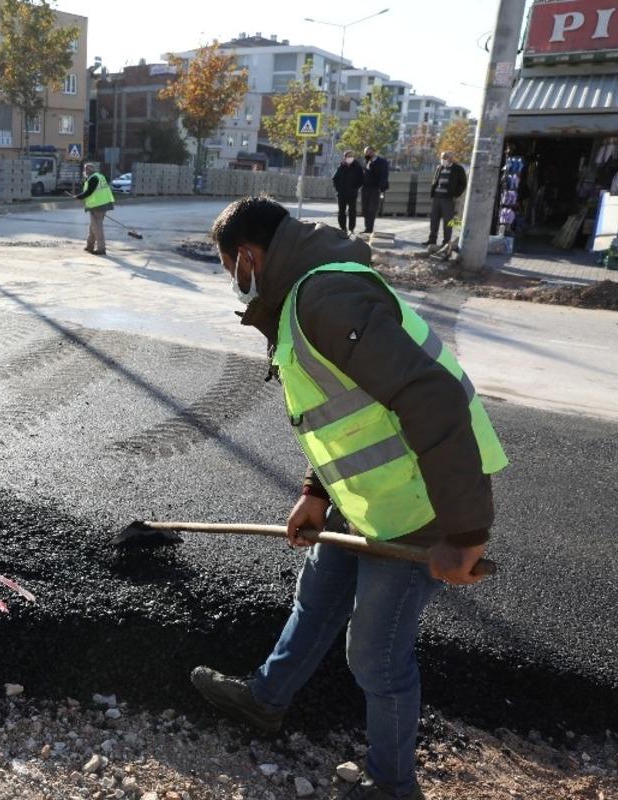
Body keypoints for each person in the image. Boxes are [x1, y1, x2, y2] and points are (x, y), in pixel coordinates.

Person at [192, 196, 508, 800]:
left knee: (375, 656)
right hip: (364, 497)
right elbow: (341, 414)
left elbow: (432, 397)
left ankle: (394, 786)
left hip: (420, 505)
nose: (232, 279)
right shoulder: (300, 298)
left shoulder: (326, 298)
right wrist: (315, 492)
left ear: (249, 256)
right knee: (316, 599)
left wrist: (464, 532)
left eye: (230, 266)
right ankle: (265, 700)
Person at [427, 151, 468, 249]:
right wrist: (433, 192)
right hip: (437, 197)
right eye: (442, 158)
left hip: (448, 198)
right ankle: (432, 240)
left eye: (445, 158)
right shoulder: (439, 167)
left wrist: (456, 194)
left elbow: (463, 183)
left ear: (451, 159)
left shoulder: (458, 169)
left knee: (448, 221)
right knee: (434, 219)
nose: (443, 160)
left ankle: (446, 242)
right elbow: (435, 180)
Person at [73, 163, 115, 256]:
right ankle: (90, 246)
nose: (84, 171)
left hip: (97, 206)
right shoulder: (100, 176)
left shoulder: (93, 178)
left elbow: (89, 192)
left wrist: (78, 197)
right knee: (93, 226)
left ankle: (101, 249)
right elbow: (105, 182)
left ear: (88, 170)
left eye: (85, 170)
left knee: (97, 228)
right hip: (104, 204)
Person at [332, 150, 364, 235]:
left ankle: (351, 229)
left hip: (352, 193)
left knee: (352, 211)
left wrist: (355, 188)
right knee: (341, 211)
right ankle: (343, 228)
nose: (350, 158)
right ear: (344, 157)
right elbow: (335, 179)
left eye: (351, 156)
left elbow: (361, 180)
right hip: (341, 193)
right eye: (348, 156)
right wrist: (338, 189)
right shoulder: (341, 167)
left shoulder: (358, 167)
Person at [361, 146, 390, 235]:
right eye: (365, 153)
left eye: (368, 152)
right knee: (365, 209)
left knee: (371, 209)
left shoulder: (382, 162)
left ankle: (369, 228)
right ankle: (367, 227)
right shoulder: (367, 161)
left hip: (375, 189)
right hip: (365, 188)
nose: (367, 154)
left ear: (373, 152)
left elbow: (384, 176)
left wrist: (381, 189)